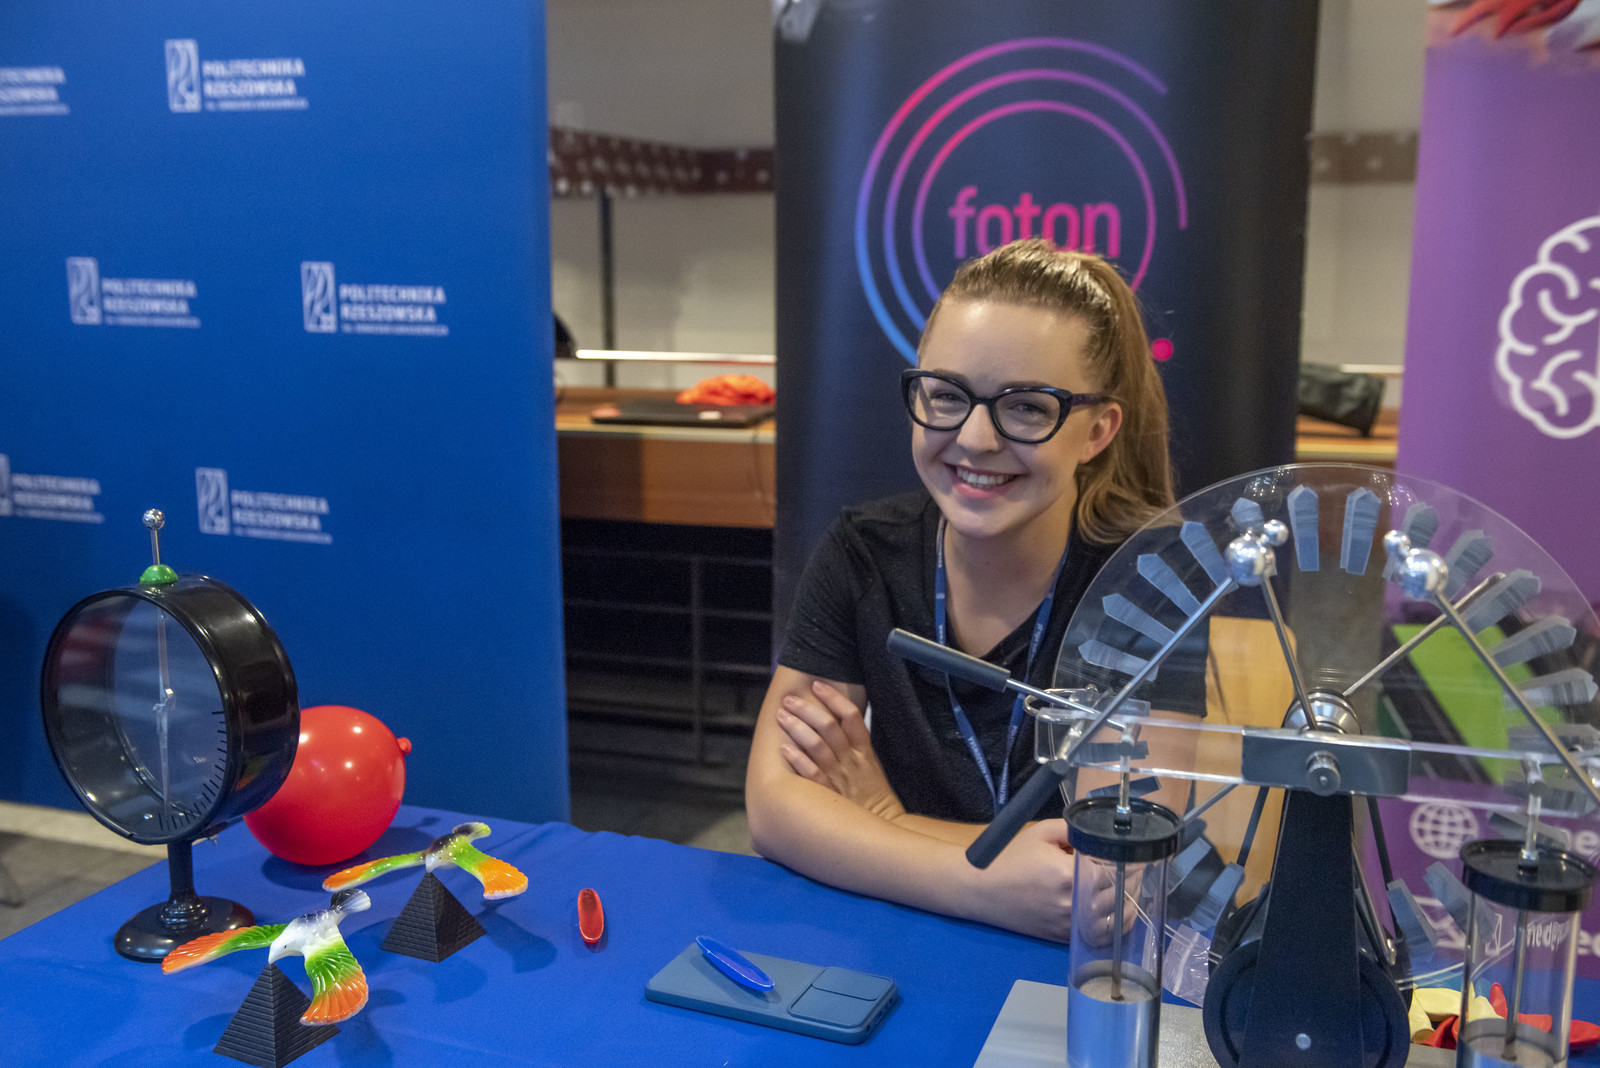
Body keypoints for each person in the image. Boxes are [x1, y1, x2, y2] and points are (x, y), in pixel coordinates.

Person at [744, 239, 1189, 943]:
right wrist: (981, 881)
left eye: (1028, 408)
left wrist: (883, 822)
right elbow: (775, 807)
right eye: (947, 396)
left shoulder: (1152, 582)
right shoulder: (864, 552)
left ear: (1098, 431)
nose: (975, 438)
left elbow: (1110, 879)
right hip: (895, 936)